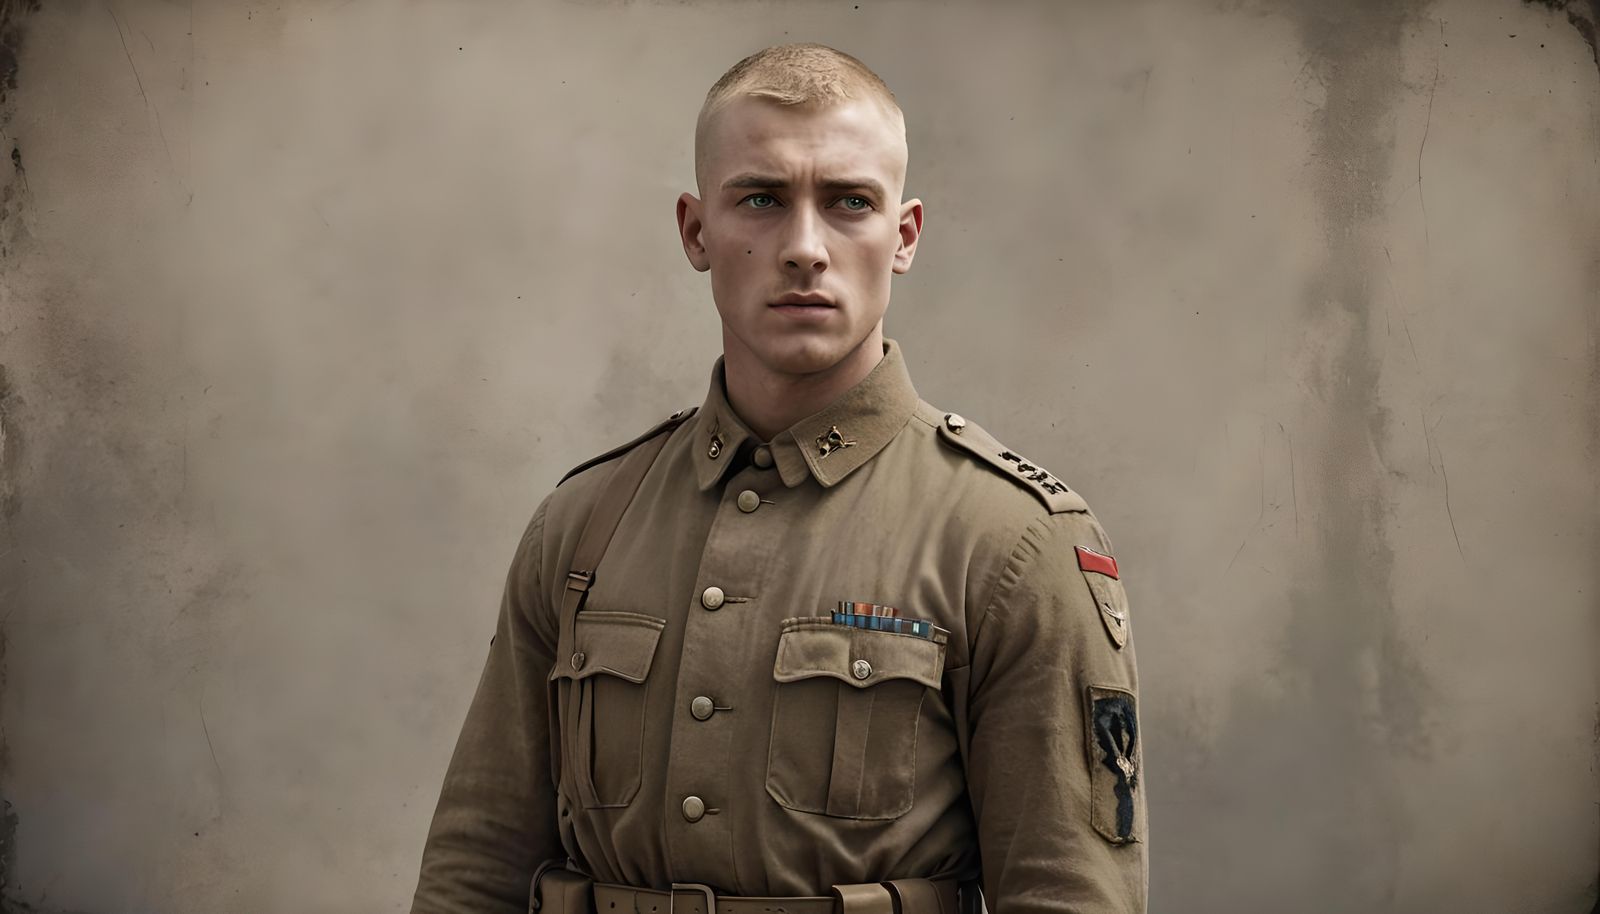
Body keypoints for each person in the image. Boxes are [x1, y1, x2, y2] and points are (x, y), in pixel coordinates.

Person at [410, 42, 1146, 914]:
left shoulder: (1012, 541)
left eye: (848, 203)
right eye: (761, 198)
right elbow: (477, 867)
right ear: (696, 230)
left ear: (902, 236)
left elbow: (1071, 896)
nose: (805, 248)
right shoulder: (585, 524)